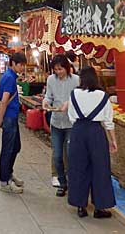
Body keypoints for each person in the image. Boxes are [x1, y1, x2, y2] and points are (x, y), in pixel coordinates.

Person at [66, 66, 117, 219]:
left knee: (78, 168)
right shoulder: (103, 96)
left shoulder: (74, 94)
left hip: (78, 132)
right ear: (96, 78)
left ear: (81, 78)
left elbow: (71, 117)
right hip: (96, 133)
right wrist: (113, 141)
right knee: (100, 170)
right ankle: (99, 208)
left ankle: (80, 206)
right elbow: (108, 121)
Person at [43, 54, 80, 197]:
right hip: (56, 121)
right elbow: (48, 96)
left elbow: (78, 97)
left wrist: (69, 103)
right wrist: (46, 102)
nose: (58, 72)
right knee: (57, 155)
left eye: (61, 69)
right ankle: (62, 182)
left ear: (67, 67)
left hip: (71, 122)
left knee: (71, 154)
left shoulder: (76, 80)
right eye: (56, 69)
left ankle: (73, 182)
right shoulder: (51, 80)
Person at [0, 51, 27, 194]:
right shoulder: (9, 78)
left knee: (16, 147)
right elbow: (4, 101)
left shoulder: (11, 76)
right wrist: (0, 119)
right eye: (20, 65)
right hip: (8, 118)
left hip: (12, 117)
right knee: (8, 149)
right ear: (13, 63)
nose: (22, 68)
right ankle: (5, 181)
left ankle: (9, 173)